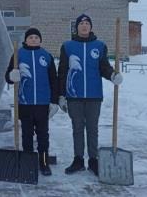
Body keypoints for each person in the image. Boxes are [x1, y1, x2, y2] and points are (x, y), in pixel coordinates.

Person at [57, 14, 123, 176]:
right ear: (76, 27)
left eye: (87, 23)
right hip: (74, 95)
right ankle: (78, 160)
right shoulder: (67, 46)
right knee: (77, 128)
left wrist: (113, 75)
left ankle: (93, 160)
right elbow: (62, 72)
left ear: (91, 27)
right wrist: (61, 95)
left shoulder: (99, 46)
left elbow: (104, 67)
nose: (84, 26)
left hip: (94, 95)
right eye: (81, 23)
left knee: (93, 129)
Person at [5, 28, 59, 176]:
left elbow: (54, 80)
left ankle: (44, 162)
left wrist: (54, 101)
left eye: (36, 37)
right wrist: (12, 75)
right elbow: (7, 76)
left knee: (43, 135)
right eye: (31, 37)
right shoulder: (18, 55)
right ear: (26, 40)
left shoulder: (46, 56)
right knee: (27, 135)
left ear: (40, 40)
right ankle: (28, 161)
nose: (34, 39)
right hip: (25, 103)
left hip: (42, 103)